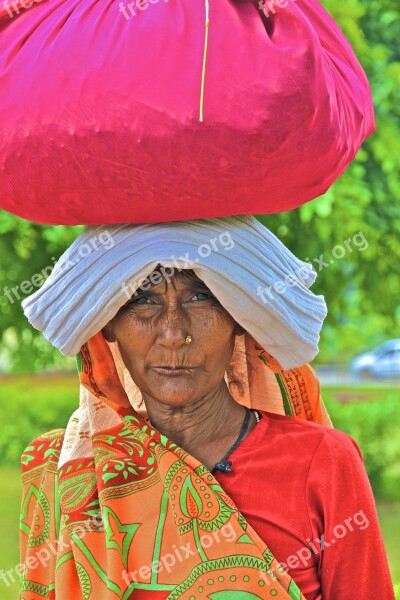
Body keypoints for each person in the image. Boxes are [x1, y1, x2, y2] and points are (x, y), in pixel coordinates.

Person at [20, 216, 394, 599]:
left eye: (200, 297)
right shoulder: (67, 470)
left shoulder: (323, 461)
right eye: (142, 301)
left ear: (238, 317)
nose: (173, 334)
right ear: (108, 325)